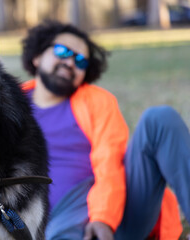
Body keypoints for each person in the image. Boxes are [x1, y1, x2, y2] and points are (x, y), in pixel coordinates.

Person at [21, 20, 190, 240]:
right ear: (37, 57)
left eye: (80, 61)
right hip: (41, 221)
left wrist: (102, 218)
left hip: (107, 217)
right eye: (62, 51)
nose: (71, 62)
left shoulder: (97, 102)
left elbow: (109, 161)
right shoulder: (8, 106)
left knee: (159, 119)